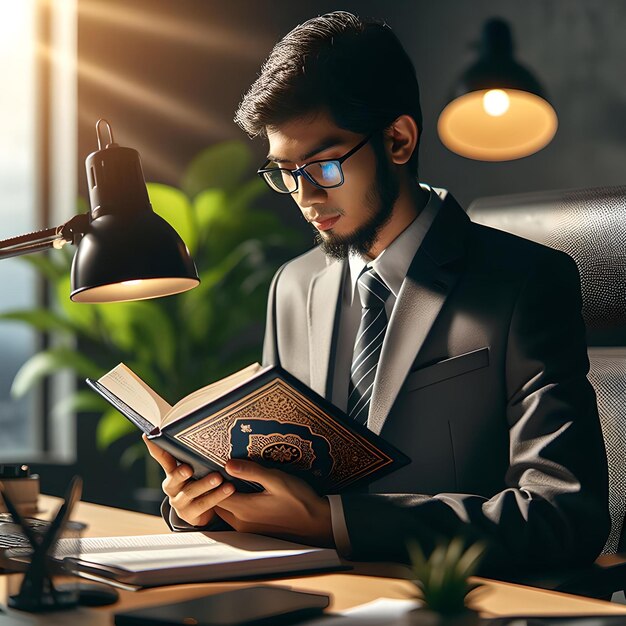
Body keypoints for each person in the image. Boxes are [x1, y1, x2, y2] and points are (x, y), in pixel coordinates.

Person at [146, 11, 609, 575]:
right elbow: (279, 482)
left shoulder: (524, 283)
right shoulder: (292, 287)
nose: (304, 195)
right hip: (320, 598)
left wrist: (331, 522)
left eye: (324, 165)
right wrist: (208, 505)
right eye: (284, 171)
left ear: (398, 140)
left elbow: (563, 517)